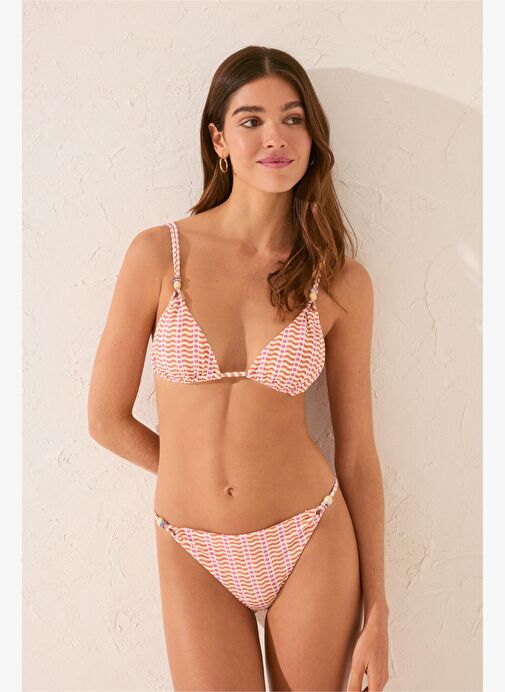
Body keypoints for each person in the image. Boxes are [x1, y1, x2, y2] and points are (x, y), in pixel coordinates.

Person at [88, 45, 389, 692]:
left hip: (310, 535)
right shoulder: (158, 254)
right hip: (191, 544)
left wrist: (378, 610)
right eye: (251, 120)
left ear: (313, 137)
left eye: (293, 118)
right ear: (219, 140)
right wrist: (192, 471)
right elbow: (106, 419)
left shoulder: (340, 280)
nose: (275, 137)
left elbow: (358, 456)